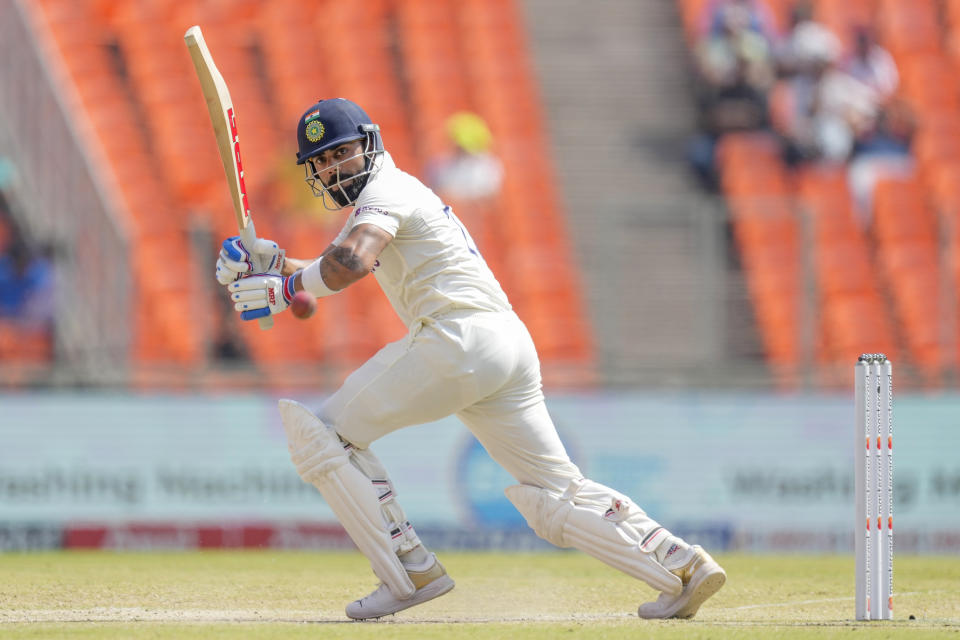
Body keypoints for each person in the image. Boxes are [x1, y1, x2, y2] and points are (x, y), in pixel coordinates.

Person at [214, 98, 726, 620]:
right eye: (320, 161)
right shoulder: (388, 196)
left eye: (340, 152)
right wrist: (274, 265)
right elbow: (333, 264)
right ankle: (680, 564)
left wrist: (282, 290)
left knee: (322, 434)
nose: (331, 167)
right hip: (503, 344)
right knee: (555, 495)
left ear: (370, 144)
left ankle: (409, 569)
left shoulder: (386, 191)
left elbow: (348, 263)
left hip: (456, 340)